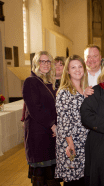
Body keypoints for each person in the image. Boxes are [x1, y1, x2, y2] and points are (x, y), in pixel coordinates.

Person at [22, 51, 60, 186]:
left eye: (48, 61)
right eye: (42, 61)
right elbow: (35, 109)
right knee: (42, 178)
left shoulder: (50, 82)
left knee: (51, 176)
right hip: (38, 136)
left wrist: (56, 126)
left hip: (50, 134)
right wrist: (52, 125)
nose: (45, 64)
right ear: (35, 63)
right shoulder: (30, 81)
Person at [55, 55, 89, 185]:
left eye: (80, 66)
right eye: (73, 67)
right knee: (73, 180)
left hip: (83, 141)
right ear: (67, 71)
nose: (77, 70)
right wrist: (70, 144)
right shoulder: (64, 92)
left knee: (81, 179)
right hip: (71, 142)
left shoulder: (83, 90)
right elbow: (64, 122)